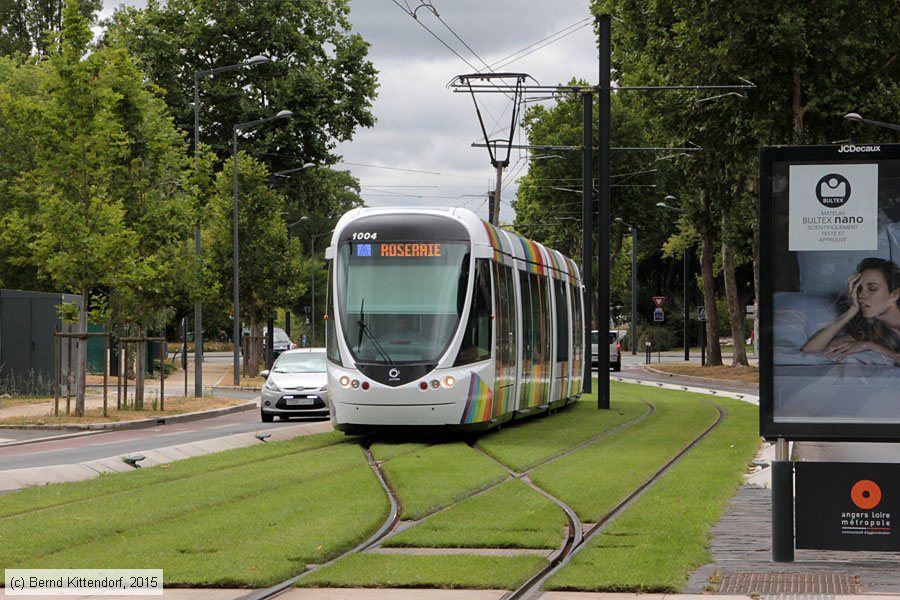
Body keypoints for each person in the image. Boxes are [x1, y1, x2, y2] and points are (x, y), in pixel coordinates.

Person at [802, 257, 900, 363]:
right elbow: (810, 349)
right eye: (858, 289)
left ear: (894, 294)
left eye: (872, 289)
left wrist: (869, 345)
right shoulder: (868, 329)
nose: (861, 295)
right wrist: (851, 311)